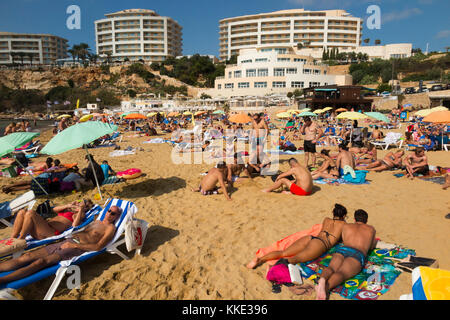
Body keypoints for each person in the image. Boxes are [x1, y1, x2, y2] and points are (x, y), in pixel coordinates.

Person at [0, 205, 122, 285]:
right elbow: (76, 225)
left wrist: (75, 246)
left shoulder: (110, 228)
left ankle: (3, 280)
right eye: (109, 211)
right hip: (65, 241)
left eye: (113, 214)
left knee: (40, 262)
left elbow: (99, 246)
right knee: (27, 256)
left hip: (75, 248)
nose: (109, 214)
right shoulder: (96, 220)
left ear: (117, 217)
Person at [246, 203, 348, 269]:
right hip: (321, 244)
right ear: (344, 216)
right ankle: (272, 268)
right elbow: (344, 239)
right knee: (295, 259)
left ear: (333, 213)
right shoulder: (344, 225)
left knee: (284, 252)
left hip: (311, 238)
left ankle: (259, 259)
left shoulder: (326, 219)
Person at [315, 209, 377, 300]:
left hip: (343, 249)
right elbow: (371, 247)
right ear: (366, 221)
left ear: (354, 219)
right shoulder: (371, 229)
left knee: (331, 268)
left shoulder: (347, 226)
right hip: (357, 254)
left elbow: (344, 240)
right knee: (342, 273)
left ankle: (323, 279)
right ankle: (326, 288)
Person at [11, 199, 94, 239]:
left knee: (30, 213)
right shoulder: (68, 210)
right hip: (43, 228)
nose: (78, 203)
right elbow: (54, 209)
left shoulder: (80, 214)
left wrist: (80, 210)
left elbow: (75, 225)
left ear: (85, 207)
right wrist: (68, 205)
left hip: (50, 232)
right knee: (22, 212)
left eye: (81, 202)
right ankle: (13, 238)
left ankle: (21, 238)